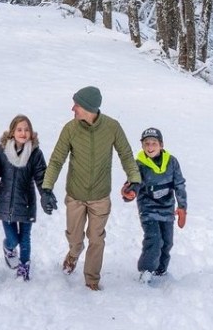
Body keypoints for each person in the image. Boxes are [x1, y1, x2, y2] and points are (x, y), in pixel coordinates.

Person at [40, 85, 141, 291]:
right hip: (75, 195)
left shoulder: (112, 127)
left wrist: (134, 179)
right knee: (75, 239)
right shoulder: (70, 129)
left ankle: (92, 280)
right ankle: (73, 253)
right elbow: (57, 160)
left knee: (97, 239)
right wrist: (47, 188)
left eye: (76, 105)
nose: (72, 109)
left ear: (88, 108)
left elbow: (126, 155)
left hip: (100, 196)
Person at [0, 114, 48, 281]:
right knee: (13, 239)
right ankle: (8, 247)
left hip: (26, 202)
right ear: (12, 132)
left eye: (27, 129)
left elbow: (41, 177)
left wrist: (46, 194)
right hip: (5, 202)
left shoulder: (35, 153)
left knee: (25, 238)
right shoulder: (1, 151)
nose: (23, 133)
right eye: (19, 129)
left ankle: (24, 267)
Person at [127, 127, 187, 283]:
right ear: (142, 146)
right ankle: (146, 271)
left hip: (167, 209)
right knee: (154, 239)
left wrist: (182, 207)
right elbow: (134, 183)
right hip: (148, 209)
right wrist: (130, 192)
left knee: (167, 241)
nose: (150, 147)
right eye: (146, 143)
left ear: (161, 145)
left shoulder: (172, 162)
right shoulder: (139, 164)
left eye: (154, 143)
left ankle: (161, 271)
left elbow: (179, 184)